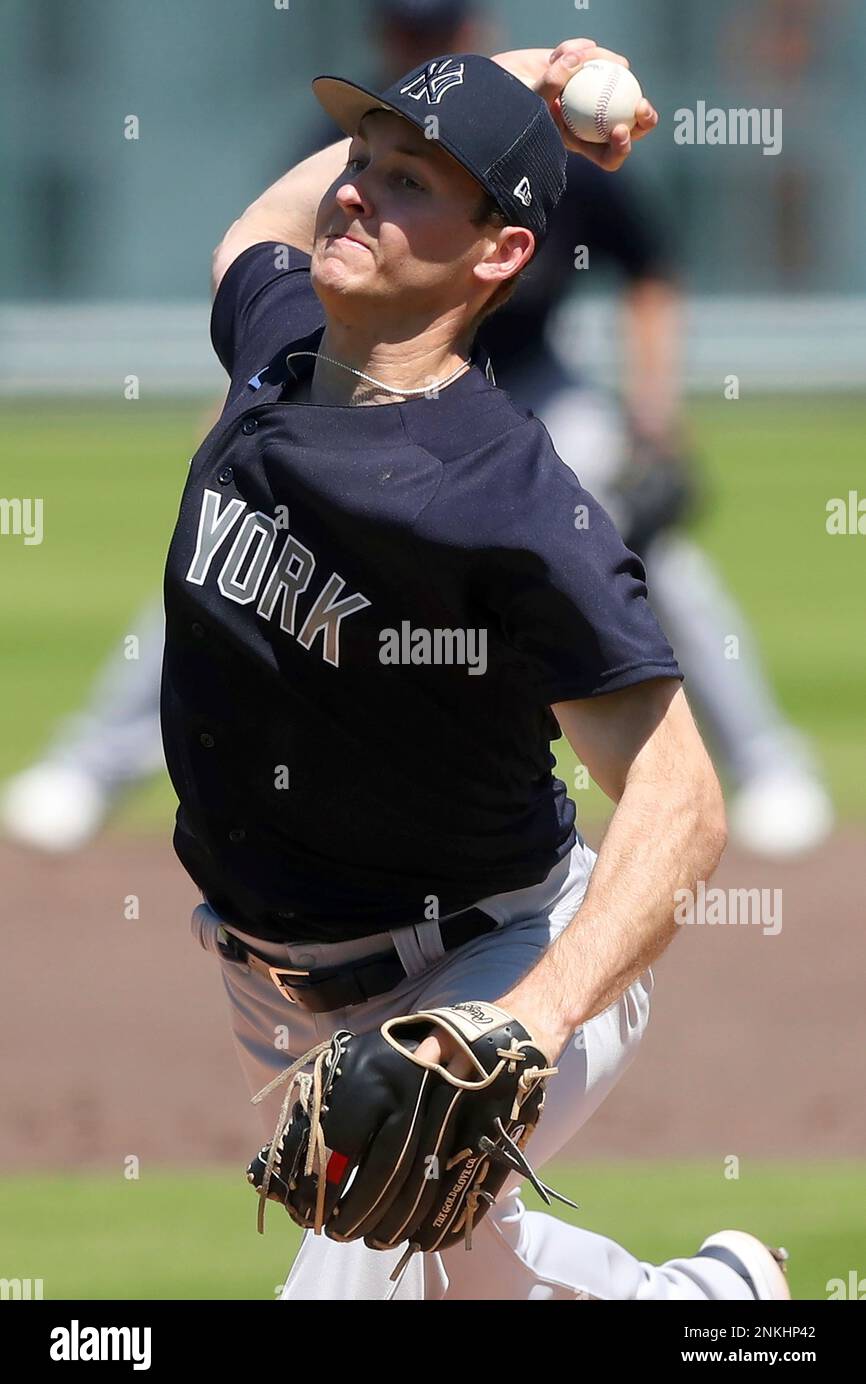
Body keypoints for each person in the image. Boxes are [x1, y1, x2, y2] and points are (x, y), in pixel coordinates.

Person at [175, 38, 790, 1300]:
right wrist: (528, 73)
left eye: (410, 183)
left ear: (499, 252)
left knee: (352, 1281)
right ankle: (714, 1304)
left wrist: (527, 1020)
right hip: (274, 992)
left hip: (480, 966)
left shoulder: (508, 499)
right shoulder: (279, 333)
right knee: (463, 1273)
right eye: (362, 160)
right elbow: (254, 222)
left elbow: (680, 802)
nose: (354, 191)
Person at [0, 0, 831, 861]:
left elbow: (649, 276)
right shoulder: (350, 153)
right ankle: (91, 763)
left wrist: (652, 415)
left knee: (641, 552)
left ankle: (766, 760)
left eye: (434, 35)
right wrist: (241, 423)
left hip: (537, 383)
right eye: (403, 34)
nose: (359, 188)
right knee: (239, 536)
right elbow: (282, 244)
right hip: (362, 363)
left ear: (467, 32)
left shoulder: (548, 160)